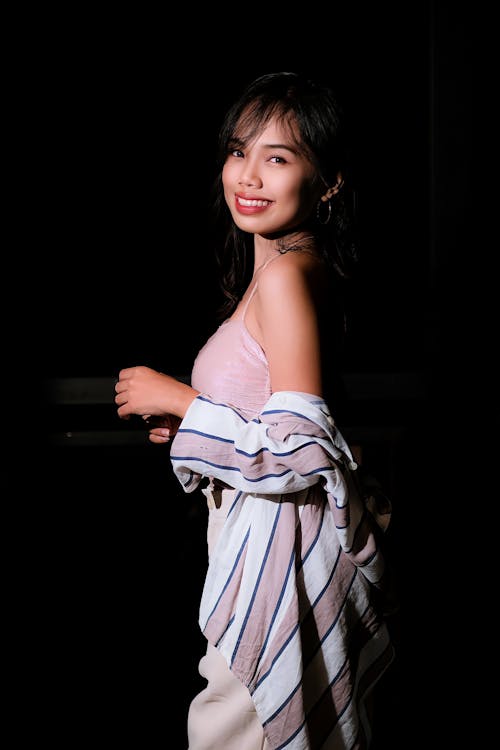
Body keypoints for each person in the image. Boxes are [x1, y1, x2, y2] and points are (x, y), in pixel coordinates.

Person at [115, 71, 395, 750]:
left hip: (280, 560)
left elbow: (303, 448)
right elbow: (275, 421)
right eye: (240, 151)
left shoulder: (288, 278)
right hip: (263, 543)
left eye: (279, 157)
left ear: (326, 181)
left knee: (241, 729)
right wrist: (199, 425)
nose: (248, 175)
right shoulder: (288, 266)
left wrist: (177, 397)